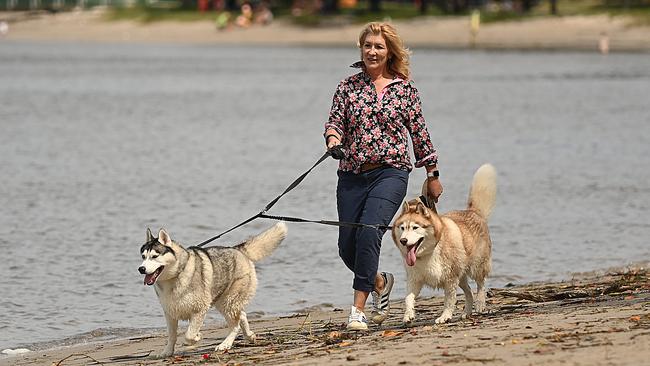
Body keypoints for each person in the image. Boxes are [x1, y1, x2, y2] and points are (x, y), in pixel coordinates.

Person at [323, 22, 443, 331]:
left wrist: (432, 173)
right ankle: (380, 282)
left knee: (369, 231)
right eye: (367, 46)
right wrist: (333, 140)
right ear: (360, 50)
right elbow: (335, 121)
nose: (372, 51)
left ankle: (357, 311)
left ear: (389, 51)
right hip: (351, 174)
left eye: (378, 46)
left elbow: (420, 133)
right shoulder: (348, 86)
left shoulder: (404, 90)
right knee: (346, 246)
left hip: (391, 172)